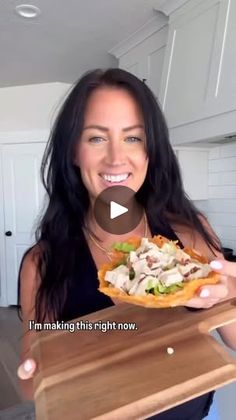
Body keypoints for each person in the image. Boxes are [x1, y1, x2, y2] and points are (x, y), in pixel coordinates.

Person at [17, 68, 236, 419]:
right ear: (74, 152)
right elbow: (33, 383)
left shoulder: (191, 234)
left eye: (133, 138)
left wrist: (230, 295)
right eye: (96, 138)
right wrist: (39, 367)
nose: (116, 158)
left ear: (151, 151)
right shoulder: (43, 263)